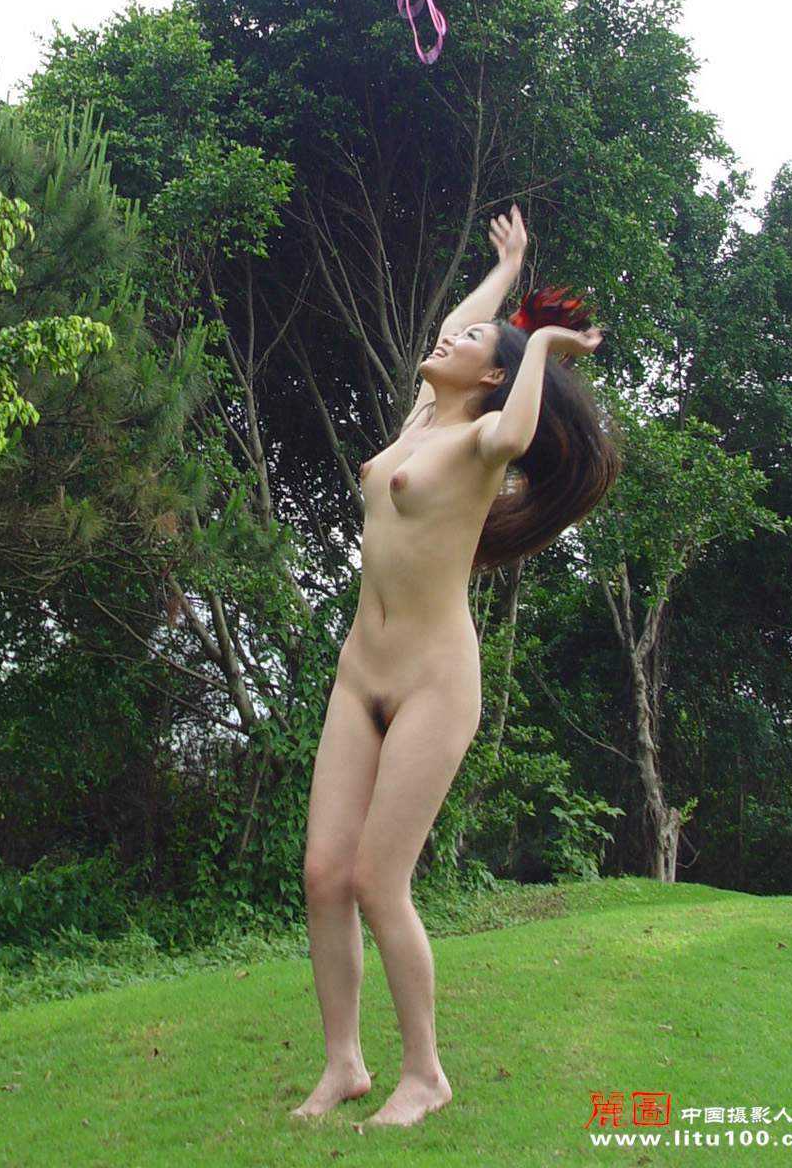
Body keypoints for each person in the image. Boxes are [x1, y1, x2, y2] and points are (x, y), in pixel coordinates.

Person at [291, 203, 621, 1128]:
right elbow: (457, 327)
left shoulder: (480, 444)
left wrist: (539, 342)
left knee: (377, 881)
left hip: (434, 683)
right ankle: (344, 1064)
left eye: (473, 343)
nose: (450, 337)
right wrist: (507, 274)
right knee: (324, 874)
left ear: (494, 376)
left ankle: (425, 1074)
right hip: (360, 674)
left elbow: (516, 433)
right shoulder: (418, 424)